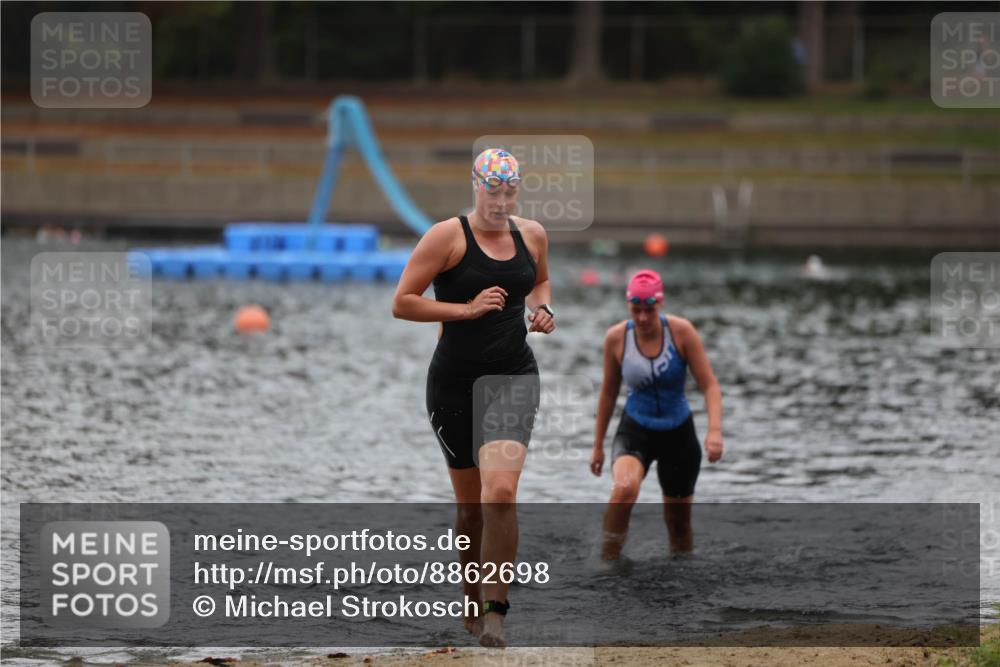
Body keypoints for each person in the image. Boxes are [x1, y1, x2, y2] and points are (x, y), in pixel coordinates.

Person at [391, 148, 555, 647]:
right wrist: (466, 309)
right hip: (454, 384)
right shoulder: (447, 236)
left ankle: (496, 612)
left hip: (513, 377)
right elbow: (402, 303)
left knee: (500, 493)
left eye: (510, 192)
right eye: (493, 191)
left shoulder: (532, 235)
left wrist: (543, 310)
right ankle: (469, 596)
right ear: (475, 186)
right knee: (470, 511)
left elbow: (541, 281)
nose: (501, 202)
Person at [589, 269, 723, 558]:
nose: (642, 318)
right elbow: (608, 394)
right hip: (636, 429)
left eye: (649, 310)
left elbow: (710, 385)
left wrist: (715, 431)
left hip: (679, 433)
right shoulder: (617, 338)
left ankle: (681, 576)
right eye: (635, 310)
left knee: (679, 525)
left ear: (659, 305)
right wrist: (598, 445)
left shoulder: (682, 332)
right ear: (628, 306)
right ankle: (606, 562)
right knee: (624, 489)